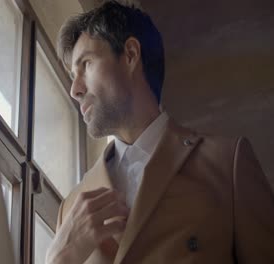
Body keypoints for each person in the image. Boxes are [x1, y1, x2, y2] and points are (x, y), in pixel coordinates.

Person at [46, 1, 274, 263]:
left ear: (131, 54)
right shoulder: (70, 207)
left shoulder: (227, 163)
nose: (74, 89)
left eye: (85, 64)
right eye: (72, 75)